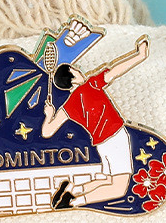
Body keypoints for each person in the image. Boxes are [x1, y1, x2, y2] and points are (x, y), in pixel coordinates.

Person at [40, 35, 151, 210]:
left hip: (102, 144)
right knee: (119, 188)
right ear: (73, 78)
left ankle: (72, 189)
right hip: (115, 137)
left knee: (106, 180)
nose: (80, 71)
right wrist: (140, 55)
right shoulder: (91, 84)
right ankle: (73, 202)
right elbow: (115, 71)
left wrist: (49, 115)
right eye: (76, 70)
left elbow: (47, 132)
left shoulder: (68, 105)